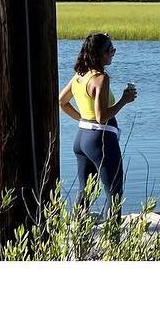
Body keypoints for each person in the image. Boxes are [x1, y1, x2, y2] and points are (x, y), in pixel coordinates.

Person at [57, 32, 136, 207]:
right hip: (101, 140)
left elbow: (62, 102)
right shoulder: (101, 78)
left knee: (85, 192)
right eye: (111, 50)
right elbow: (101, 118)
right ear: (101, 54)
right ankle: (113, 234)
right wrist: (125, 100)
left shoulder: (80, 75)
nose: (113, 53)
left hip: (82, 139)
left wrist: (83, 120)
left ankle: (78, 231)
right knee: (114, 193)